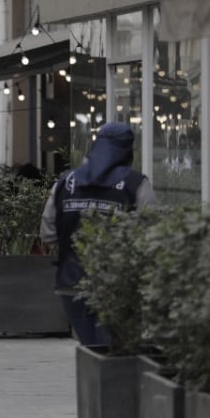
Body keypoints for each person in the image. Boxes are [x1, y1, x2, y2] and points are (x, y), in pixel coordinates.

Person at [39, 122, 157, 346]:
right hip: (117, 286)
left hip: (70, 283)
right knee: (110, 347)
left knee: (91, 347)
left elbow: (47, 232)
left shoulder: (66, 182)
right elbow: (151, 234)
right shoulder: (136, 185)